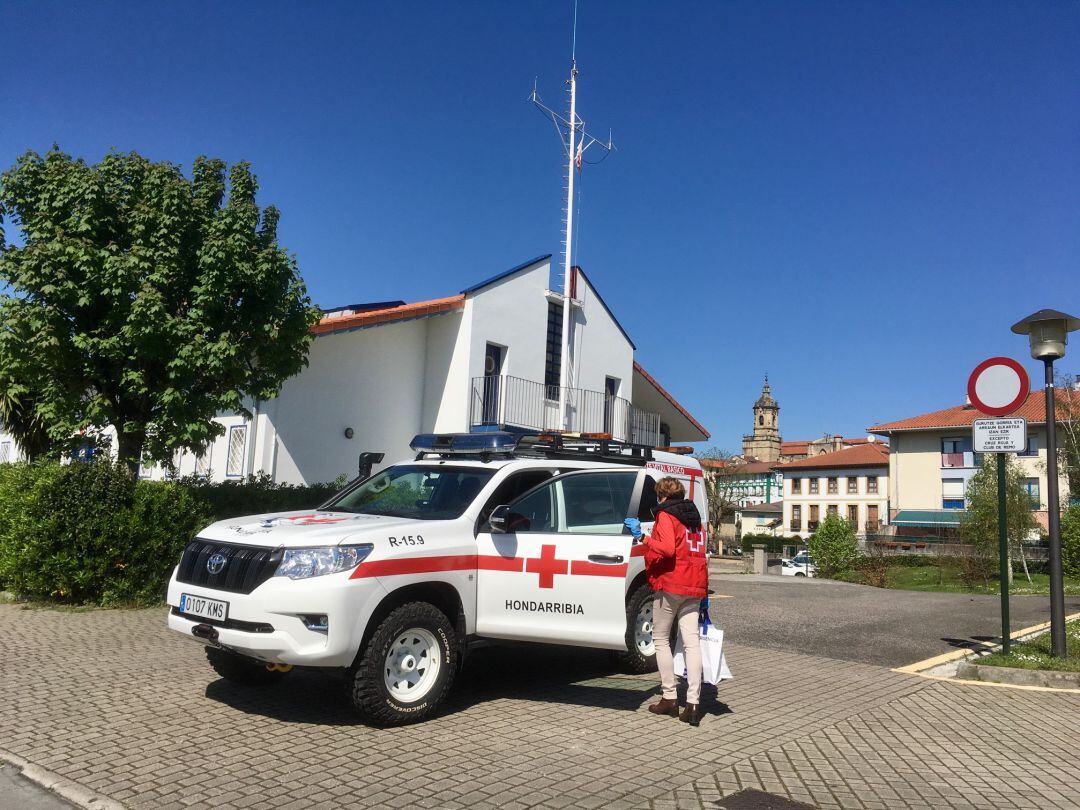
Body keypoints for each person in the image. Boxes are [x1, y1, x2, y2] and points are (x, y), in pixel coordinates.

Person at [624, 476, 708, 726]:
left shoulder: (666, 515)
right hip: (695, 583)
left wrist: (643, 537)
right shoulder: (696, 520)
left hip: (672, 583)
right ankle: (693, 703)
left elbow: (668, 549)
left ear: (661, 496)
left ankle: (669, 697)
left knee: (660, 639)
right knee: (692, 643)